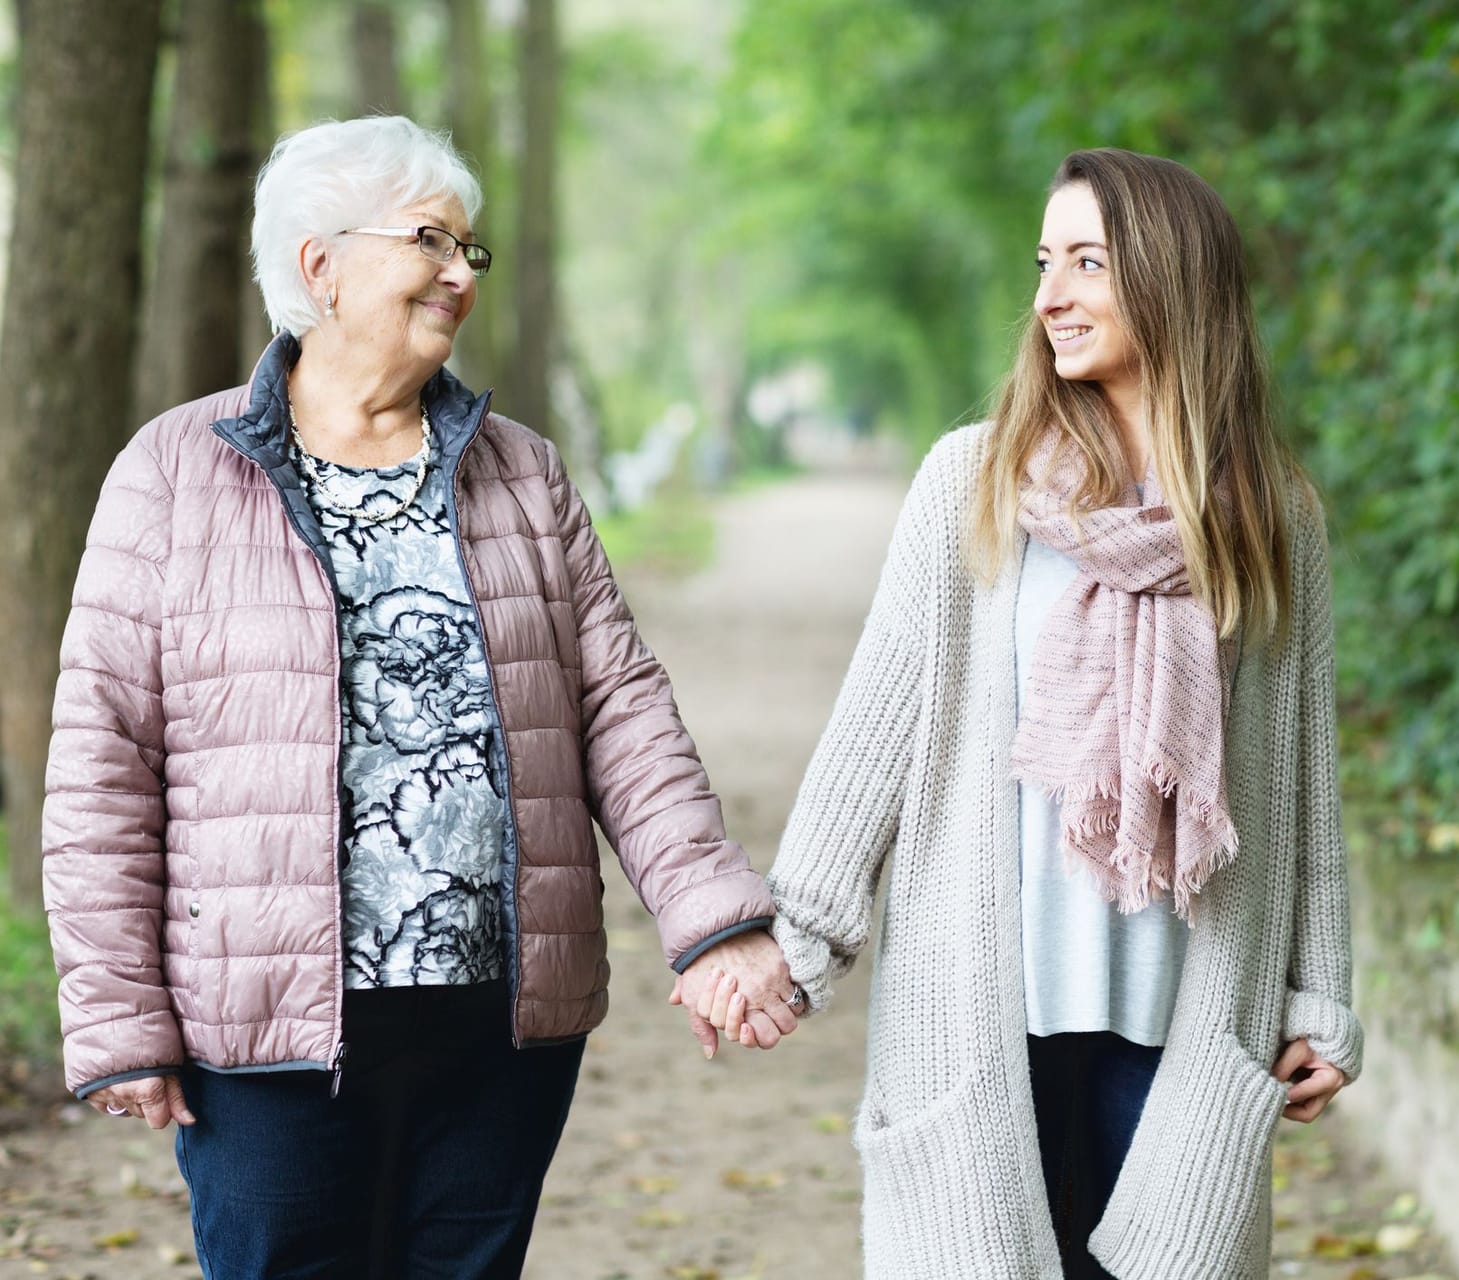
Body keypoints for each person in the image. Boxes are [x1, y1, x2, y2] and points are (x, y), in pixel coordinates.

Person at [42, 114, 799, 1280]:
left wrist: (714, 920)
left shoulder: (524, 470)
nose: (461, 273)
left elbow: (620, 712)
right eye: (433, 241)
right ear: (320, 264)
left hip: (498, 1014)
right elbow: (101, 762)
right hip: (266, 1022)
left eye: (472, 251)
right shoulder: (173, 472)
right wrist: (118, 1017)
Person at [757, 148, 1363, 1278]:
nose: (1050, 296)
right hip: (986, 1019)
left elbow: (1298, 786)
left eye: (1088, 261)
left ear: (1173, 280)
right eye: (1046, 261)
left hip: (1188, 1026)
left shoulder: (1274, 516)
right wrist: (793, 943)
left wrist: (1318, 997)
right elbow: (874, 733)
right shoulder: (973, 482)